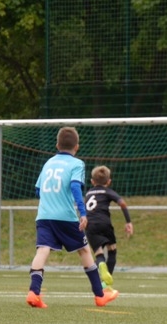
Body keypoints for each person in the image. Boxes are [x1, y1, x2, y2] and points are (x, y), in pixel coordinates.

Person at [26, 127, 119, 308]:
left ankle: (33, 292)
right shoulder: (77, 164)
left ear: (57, 145)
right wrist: (83, 213)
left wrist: (51, 200)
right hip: (66, 217)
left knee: (42, 250)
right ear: (77, 146)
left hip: (44, 216)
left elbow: (38, 190)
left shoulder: (48, 163)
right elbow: (75, 187)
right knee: (84, 251)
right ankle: (100, 295)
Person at [85, 165, 134, 288]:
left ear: (92, 181)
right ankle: (107, 283)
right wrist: (128, 222)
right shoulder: (107, 191)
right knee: (112, 250)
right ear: (109, 181)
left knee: (99, 253)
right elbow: (122, 203)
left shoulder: (88, 193)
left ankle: (101, 264)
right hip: (105, 223)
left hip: (90, 225)